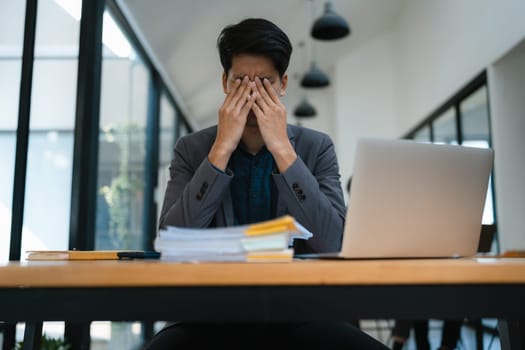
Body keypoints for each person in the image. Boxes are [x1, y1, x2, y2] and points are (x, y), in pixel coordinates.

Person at [144, 18, 388, 349]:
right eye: (240, 82)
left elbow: (335, 243)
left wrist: (283, 151)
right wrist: (221, 150)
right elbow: (170, 240)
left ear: (283, 84)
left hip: (299, 313)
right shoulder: (192, 149)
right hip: (210, 315)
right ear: (224, 82)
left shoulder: (316, 148)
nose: (252, 95)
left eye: (264, 83)